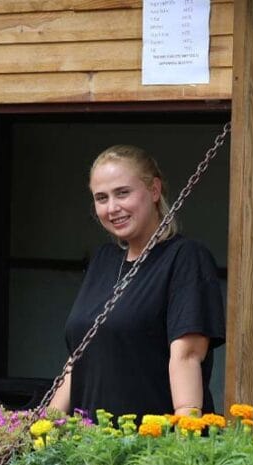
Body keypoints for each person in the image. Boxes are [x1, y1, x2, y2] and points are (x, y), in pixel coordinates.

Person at [51, 144, 225, 417]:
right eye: (101, 197)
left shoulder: (185, 257)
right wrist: (45, 427)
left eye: (123, 193)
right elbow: (79, 360)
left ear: (154, 191)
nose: (112, 208)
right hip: (90, 447)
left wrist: (183, 440)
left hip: (151, 447)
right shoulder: (103, 260)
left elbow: (187, 356)